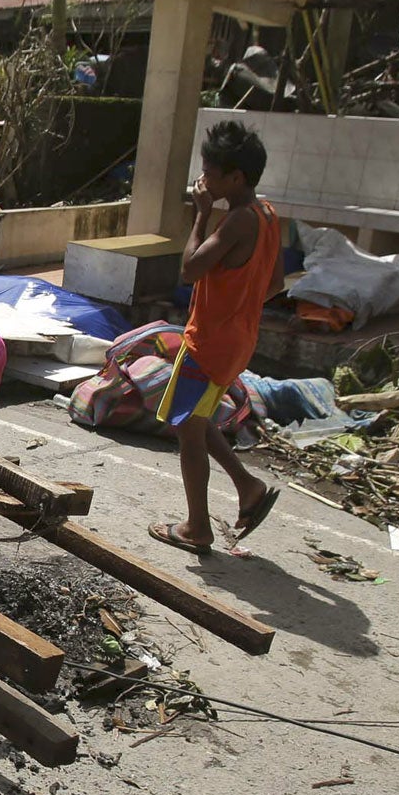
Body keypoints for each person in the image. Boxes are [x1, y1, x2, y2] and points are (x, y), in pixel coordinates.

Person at [148, 119, 283, 555]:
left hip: (209, 343)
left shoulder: (238, 220)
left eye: (210, 172)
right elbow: (276, 282)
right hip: (238, 340)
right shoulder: (267, 214)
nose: (203, 179)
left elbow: (189, 269)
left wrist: (201, 214)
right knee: (197, 418)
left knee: (186, 428)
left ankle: (197, 527)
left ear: (236, 177)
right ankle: (248, 488)